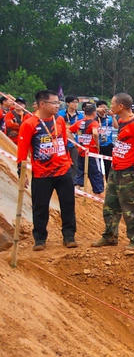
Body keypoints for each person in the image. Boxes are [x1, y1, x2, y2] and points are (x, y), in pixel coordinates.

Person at [15, 90, 76, 251]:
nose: (57, 106)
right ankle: (40, 239)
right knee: (40, 207)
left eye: (58, 103)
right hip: (42, 173)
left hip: (63, 171)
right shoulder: (29, 124)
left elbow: (63, 142)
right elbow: (22, 150)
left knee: (68, 204)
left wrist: (68, 161)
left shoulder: (60, 120)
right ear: (42, 104)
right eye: (54, 103)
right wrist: (21, 170)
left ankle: (69, 236)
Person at [93, 93, 134, 249]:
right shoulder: (122, 121)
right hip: (116, 168)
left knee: (131, 206)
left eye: (112, 103)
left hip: (129, 171)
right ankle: (110, 235)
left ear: (121, 106)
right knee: (110, 204)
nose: (110, 106)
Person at [69, 102, 105, 193]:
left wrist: (75, 143)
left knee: (80, 170)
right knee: (96, 172)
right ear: (94, 113)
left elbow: (68, 131)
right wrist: (97, 144)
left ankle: (77, 189)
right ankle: (98, 192)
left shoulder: (79, 122)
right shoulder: (94, 123)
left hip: (81, 150)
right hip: (92, 152)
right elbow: (95, 133)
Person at [95, 101, 115, 178]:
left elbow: (116, 126)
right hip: (97, 145)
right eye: (102, 107)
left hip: (108, 145)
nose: (104, 109)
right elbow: (87, 112)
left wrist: (113, 116)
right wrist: (96, 110)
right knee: (97, 166)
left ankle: (108, 181)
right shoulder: (94, 118)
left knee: (108, 165)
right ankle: (99, 183)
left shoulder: (109, 118)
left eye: (105, 107)